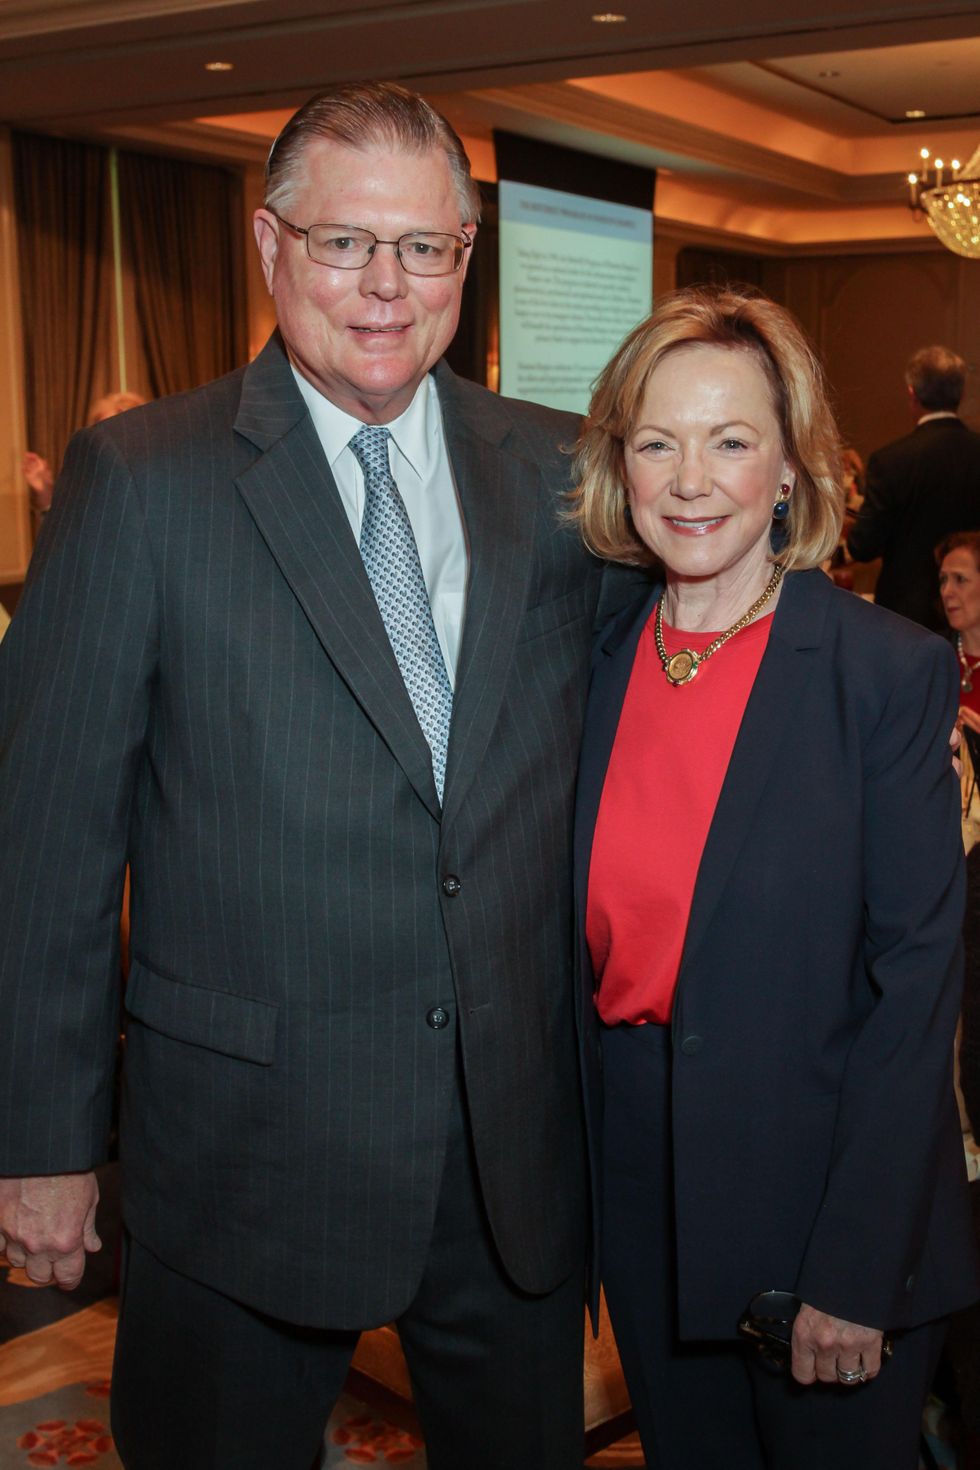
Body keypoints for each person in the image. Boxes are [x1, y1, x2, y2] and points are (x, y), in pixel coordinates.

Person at [0, 82, 642, 1470]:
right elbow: (47, 843)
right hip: (247, 1161)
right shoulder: (143, 478)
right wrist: (41, 1145)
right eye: (345, 242)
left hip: (511, 1165)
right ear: (269, 244)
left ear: (467, 260)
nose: (384, 285)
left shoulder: (558, 474)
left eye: (424, 247)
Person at [569, 285, 980, 1470]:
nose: (690, 478)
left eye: (730, 441)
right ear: (621, 465)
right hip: (642, 1204)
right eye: (658, 442)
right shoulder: (593, 666)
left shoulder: (880, 675)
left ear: (791, 470)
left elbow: (914, 994)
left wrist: (853, 1270)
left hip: (823, 1204)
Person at [847, 344, 980, 629]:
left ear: (912, 394)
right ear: (961, 395)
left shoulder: (891, 461)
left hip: (905, 618)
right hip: (973, 610)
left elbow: (863, 546)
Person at [23, 390, 146, 517]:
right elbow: (70, 530)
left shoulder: (154, 473)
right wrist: (45, 491)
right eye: (99, 430)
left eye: (113, 430)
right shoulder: (89, 480)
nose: (105, 438)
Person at [938, 531, 980, 850]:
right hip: (946, 830)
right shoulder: (932, 659)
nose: (947, 591)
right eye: (943, 580)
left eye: (960, 580)